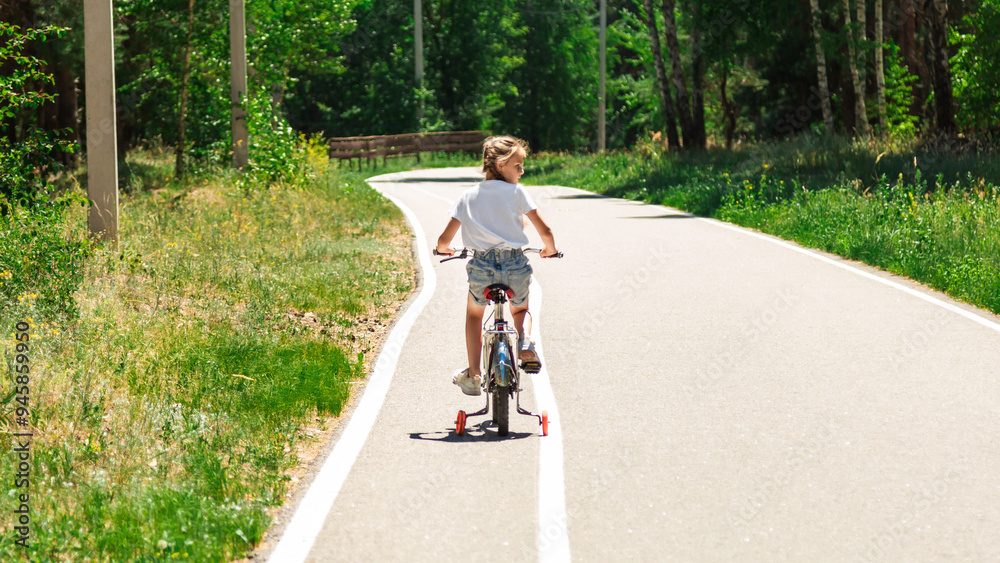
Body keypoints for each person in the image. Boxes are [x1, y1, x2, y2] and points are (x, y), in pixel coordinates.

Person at [435, 135, 559, 396]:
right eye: (518, 165)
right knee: (520, 309)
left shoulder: (468, 196)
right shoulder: (517, 193)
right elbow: (544, 229)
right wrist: (550, 248)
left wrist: (444, 248)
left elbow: (444, 240)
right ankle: (524, 340)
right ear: (501, 164)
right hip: (515, 263)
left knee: (474, 315)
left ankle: (474, 374)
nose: (522, 171)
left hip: (481, 266)